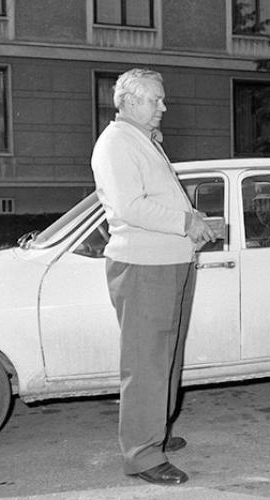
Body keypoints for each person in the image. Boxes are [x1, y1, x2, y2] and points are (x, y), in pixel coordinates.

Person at [91, 68, 216, 485]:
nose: (163, 106)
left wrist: (190, 221)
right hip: (144, 268)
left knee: (166, 358)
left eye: (162, 99)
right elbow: (130, 207)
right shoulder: (115, 143)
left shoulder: (141, 141)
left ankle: (153, 433)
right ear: (126, 101)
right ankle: (143, 454)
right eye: (154, 99)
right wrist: (187, 222)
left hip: (167, 263)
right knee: (146, 363)